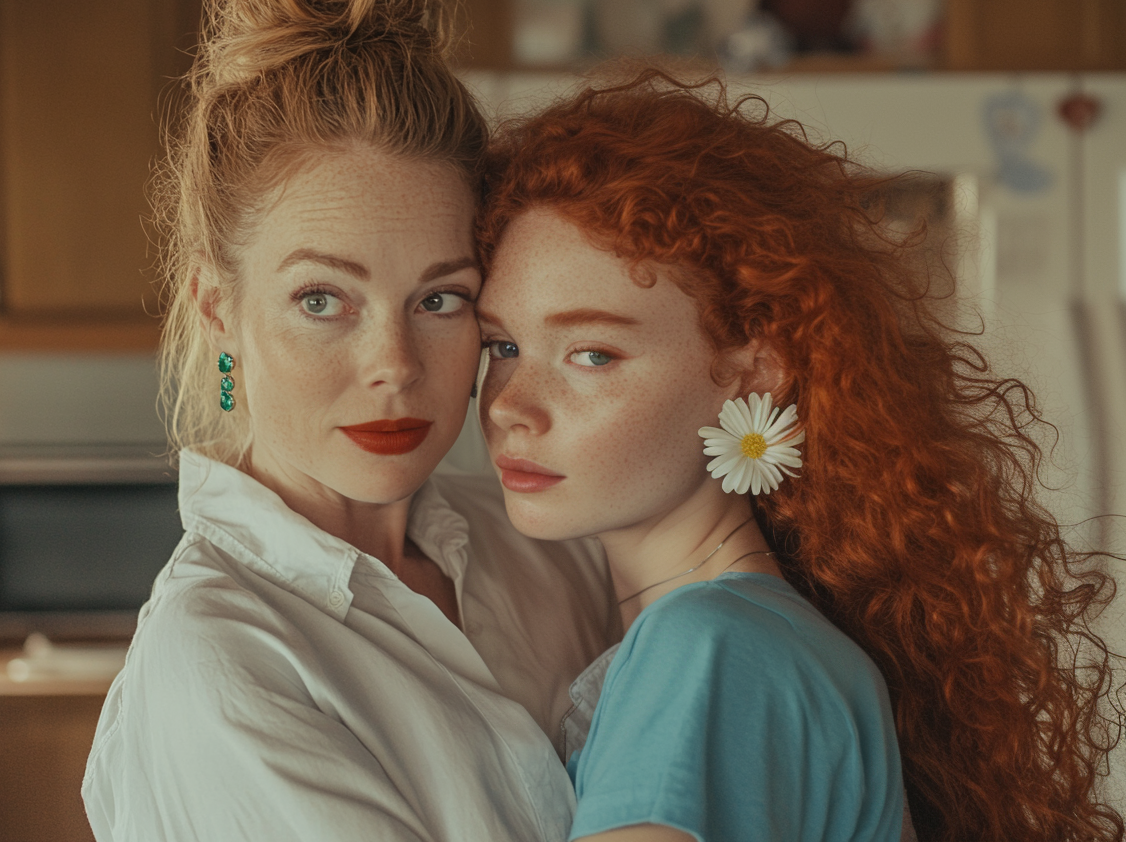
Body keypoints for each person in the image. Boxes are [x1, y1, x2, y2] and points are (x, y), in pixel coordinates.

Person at [474, 68, 1124, 842]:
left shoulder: (704, 651)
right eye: (503, 345)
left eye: (591, 355)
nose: (509, 404)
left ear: (752, 372)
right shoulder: (758, 635)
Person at [81, 0, 617, 839]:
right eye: (322, 300)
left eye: (439, 298)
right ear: (219, 310)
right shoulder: (221, 655)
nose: (396, 364)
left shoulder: (547, 550)